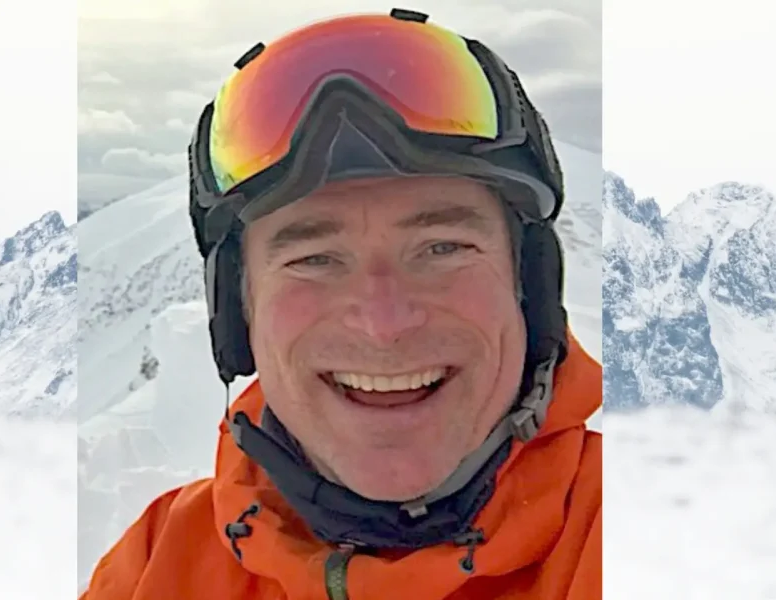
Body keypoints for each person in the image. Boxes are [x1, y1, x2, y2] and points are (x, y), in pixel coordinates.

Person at [81, 8, 601, 600]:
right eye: (314, 259)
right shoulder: (157, 566)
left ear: (528, 288)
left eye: (441, 247)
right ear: (239, 313)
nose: (383, 324)